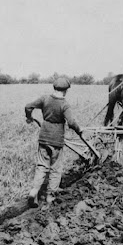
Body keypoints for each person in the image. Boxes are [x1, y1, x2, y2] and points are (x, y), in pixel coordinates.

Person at [25, 77, 82, 208]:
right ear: (66, 91)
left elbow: (28, 106)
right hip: (57, 140)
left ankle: (34, 192)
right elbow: (72, 122)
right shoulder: (64, 104)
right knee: (56, 168)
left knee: (41, 166)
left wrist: (29, 117)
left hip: (43, 137)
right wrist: (79, 130)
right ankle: (50, 196)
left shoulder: (45, 99)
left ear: (54, 88)